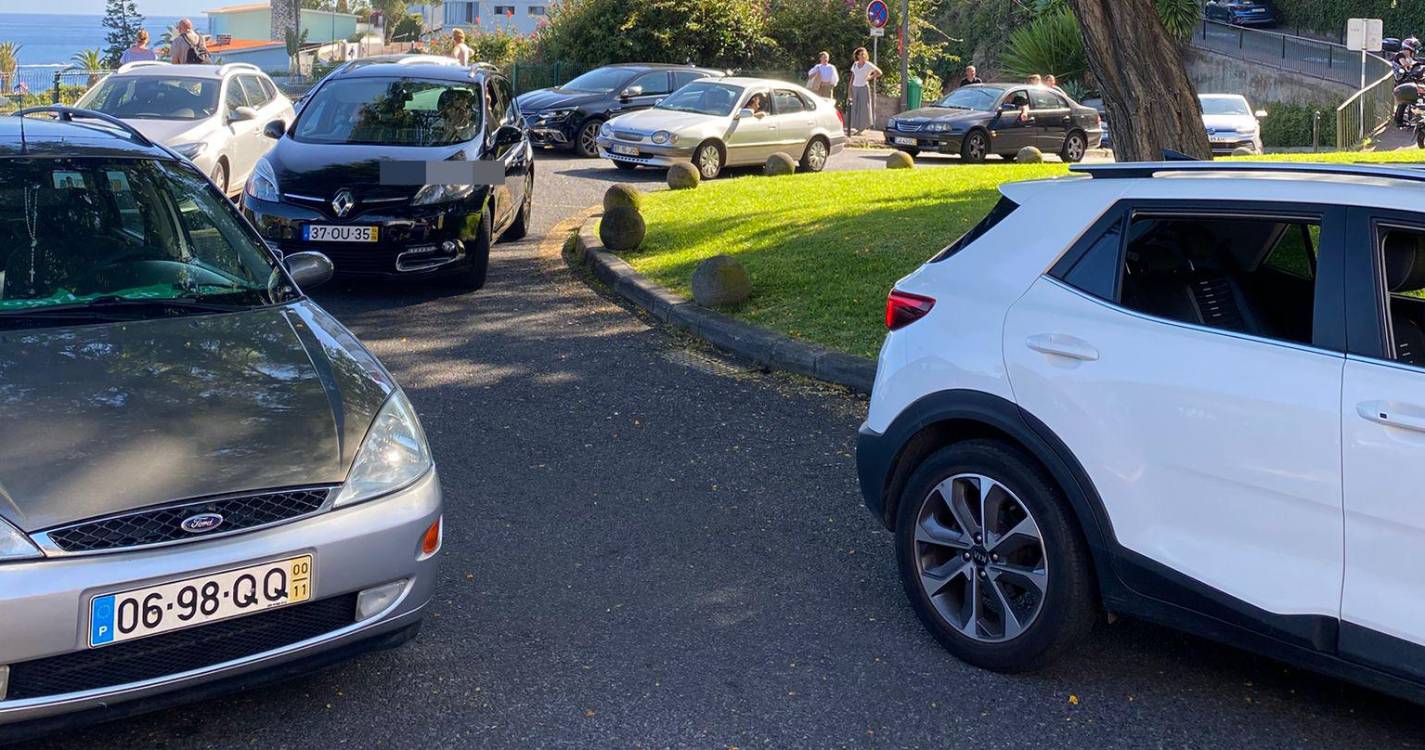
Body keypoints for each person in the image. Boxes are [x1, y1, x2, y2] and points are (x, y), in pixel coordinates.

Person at [847, 47, 881, 135]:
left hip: (863, 87)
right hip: (855, 87)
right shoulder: (855, 64)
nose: (863, 56)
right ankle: (854, 127)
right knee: (854, 107)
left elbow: (879, 72)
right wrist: (849, 90)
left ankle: (861, 128)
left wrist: (870, 77)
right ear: (857, 56)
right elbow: (852, 77)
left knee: (863, 108)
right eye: (861, 54)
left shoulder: (868, 64)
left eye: (864, 54)